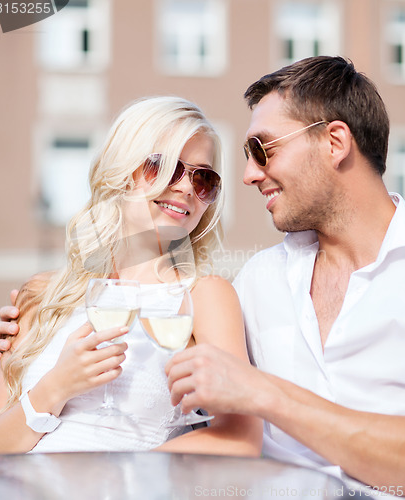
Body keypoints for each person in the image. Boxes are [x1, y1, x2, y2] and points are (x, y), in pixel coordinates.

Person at [164, 56, 405, 494]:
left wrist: (265, 393)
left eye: (262, 149)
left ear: (335, 142)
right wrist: (39, 331)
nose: (249, 175)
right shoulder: (260, 279)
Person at [0, 95, 262, 455]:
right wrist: (55, 388)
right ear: (120, 171)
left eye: (203, 179)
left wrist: (121, 478)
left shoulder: (204, 297)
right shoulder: (43, 294)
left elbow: (241, 438)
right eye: (164, 167)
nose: (184, 188)